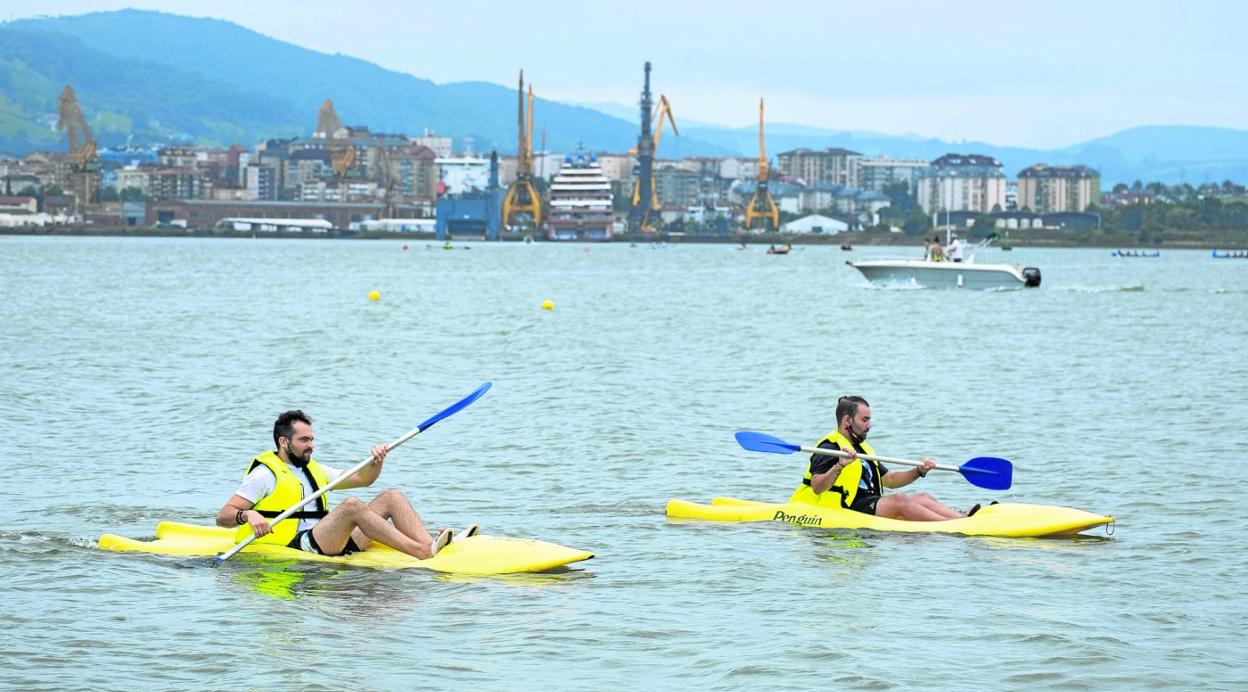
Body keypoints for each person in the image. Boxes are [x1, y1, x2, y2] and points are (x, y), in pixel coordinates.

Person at [216, 410, 470, 559]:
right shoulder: (264, 475)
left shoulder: (315, 469)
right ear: (284, 442)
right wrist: (248, 515)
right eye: (304, 440)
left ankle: (430, 546)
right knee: (351, 506)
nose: (311, 445)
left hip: (330, 539)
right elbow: (223, 517)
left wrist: (377, 460)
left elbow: (364, 479)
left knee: (391, 496)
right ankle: (421, 552)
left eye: (312, 439)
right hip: (299, 546)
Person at [790, 396, 977, 520]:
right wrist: (840, 465)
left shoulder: (862, 448)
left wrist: (919, 471)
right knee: (900, 501)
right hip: (846, 507)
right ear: (847, 420)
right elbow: (817, 487)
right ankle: (953, 526)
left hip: (869, 501)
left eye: (869, 420)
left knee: (923, 498)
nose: (869, 425)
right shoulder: (829, 447)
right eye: (865, 420)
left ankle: (963, 518)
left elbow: (890, 480)